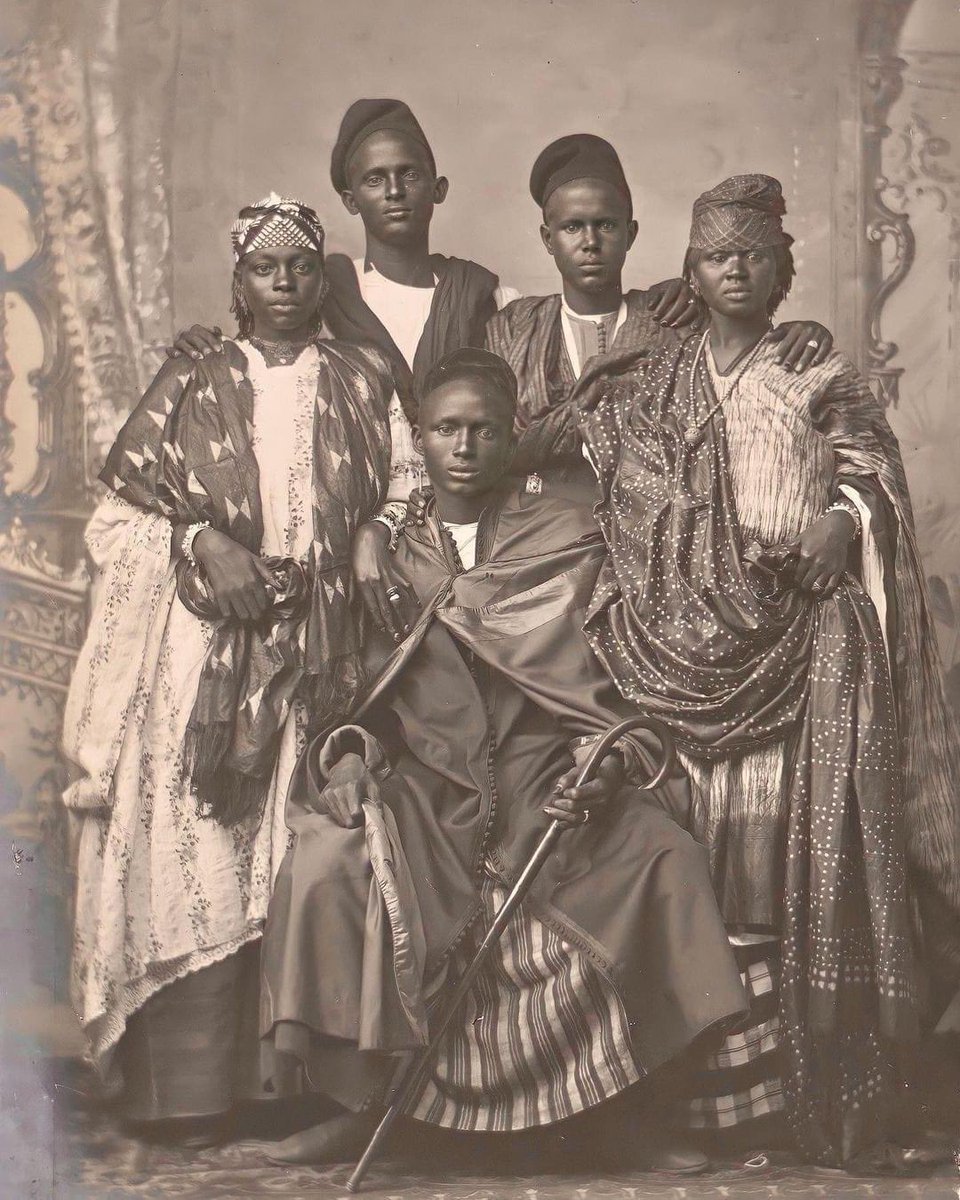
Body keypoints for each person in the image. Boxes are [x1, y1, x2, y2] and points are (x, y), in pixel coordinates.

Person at [258, 348, 749, 1172]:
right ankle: (359, 1106)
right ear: (420, 436)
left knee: (664, 854)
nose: (464, 445)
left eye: (483, 429)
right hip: (427, 785)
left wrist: (605, 764)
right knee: (324, 861)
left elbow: (614, 681)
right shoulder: (389, 555)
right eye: (446, 428)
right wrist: (349, 761)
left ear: (512, 436)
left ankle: (628, 1118)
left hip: (547, 777)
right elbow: (360, 694)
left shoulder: (564, 534)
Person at [577, 174, 960, 1167]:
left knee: (800, 876)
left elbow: (875, 472)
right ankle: (709, 1114)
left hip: (803, 655)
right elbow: (623, 485)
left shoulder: (816, 365)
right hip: (681, 663)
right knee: (705, 880)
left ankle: (818, 1103)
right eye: (716, 256)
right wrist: (689, 562)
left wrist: (842, 523)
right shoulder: (658, 381)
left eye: (755, 253)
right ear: (690, 274)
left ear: (782, 267)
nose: (737, 269)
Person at [61, 195, 393, 1145]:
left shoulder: (364, 382)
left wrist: (368, 532)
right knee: (199, 850)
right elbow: (118, 518)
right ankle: (192, 1095)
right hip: (202, 658)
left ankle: (292, 1093)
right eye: (264, 269)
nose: (283, 285)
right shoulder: (193, 375)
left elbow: (408, 489)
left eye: (299, 268)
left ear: (318, 276)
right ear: (238, 281)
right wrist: (206, 542)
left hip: (324, 654)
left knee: (300, 853)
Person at [167, 105, 698, 638]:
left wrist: (682, 302)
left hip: (473, 515)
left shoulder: (485, 297)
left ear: (438, 188)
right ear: (351, 199)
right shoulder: (324, 291)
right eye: (376, 180)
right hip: (348, 521)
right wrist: (200, 345)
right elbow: (268, 354)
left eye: (410, 175)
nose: (395, 192)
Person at [485, 136, 835, 490]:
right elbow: (491, 444)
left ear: (630, 233)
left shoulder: (673, 318)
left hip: (659, 534)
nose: (590, 242)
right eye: (572, 227)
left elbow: (743, 383)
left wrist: (804, 331)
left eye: (606, 225)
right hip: (536, 530)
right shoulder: (515, 328)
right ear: (548, 239)